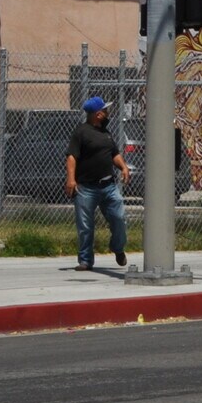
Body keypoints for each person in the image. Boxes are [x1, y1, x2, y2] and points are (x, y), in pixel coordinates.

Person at [66, 96, 130, 271]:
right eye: (105, 110)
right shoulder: (81, 132)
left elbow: (114, 154)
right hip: (86, 187)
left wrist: (123, 167)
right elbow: (72, 156)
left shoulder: (106, 133)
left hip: (109, 186)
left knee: (119, 219)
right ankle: (86, 261)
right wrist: (71, 179)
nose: (108, 113)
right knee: (85, 226)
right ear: (98, 114)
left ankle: (117, 248)